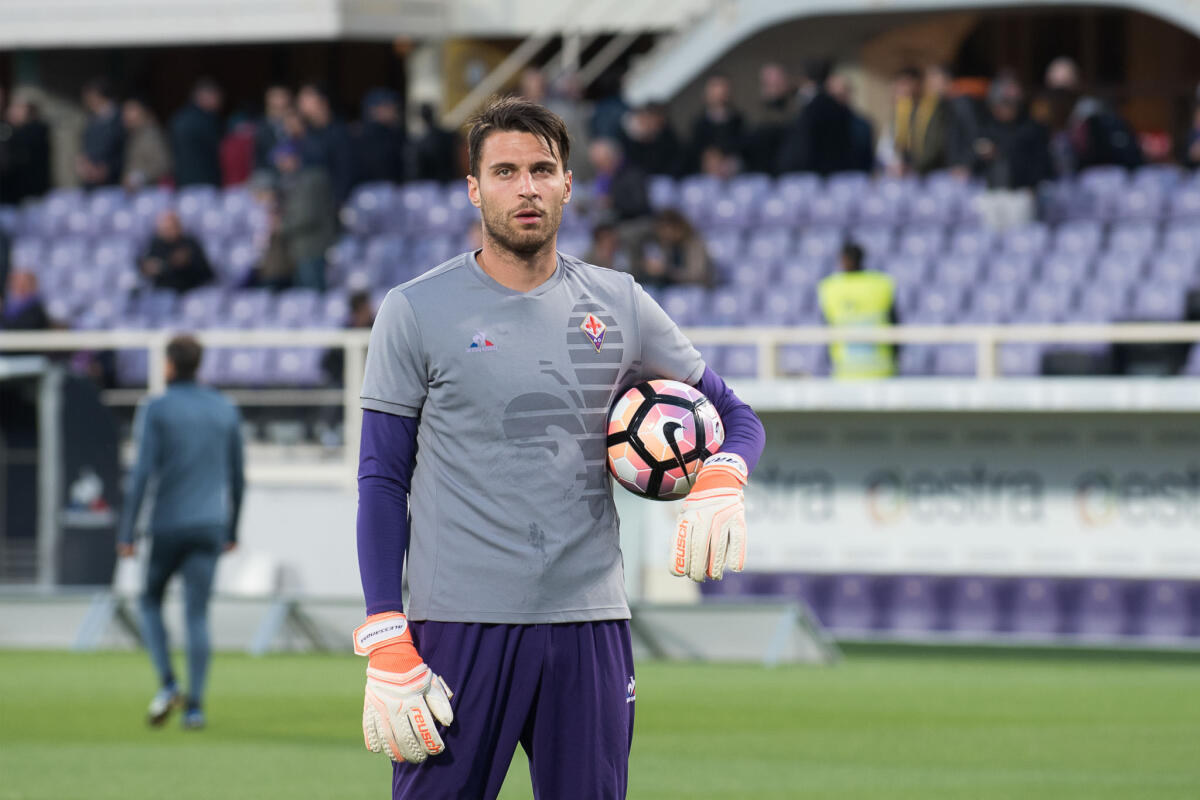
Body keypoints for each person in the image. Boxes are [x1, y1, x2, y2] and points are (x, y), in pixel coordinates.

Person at [353, 97, 765, 799]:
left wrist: (725, 474)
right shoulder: (415, 310)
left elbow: (735, 414)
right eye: (505, 171)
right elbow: (381, 480)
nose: (526, 188)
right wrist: (384, 631)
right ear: (474, 189)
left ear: (568, 183)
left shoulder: (621, 301)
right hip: (456, 628)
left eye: (542, 169)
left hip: (588, 624)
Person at [116, 334, 244, 730]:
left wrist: (127, 531)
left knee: (150, 600)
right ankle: (195, 707)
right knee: (197, 614)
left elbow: (141, 474)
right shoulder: (224, 409)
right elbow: (238, 478)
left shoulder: (157, 408)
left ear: (169, 365)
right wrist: (232, 528)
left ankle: (169, 683)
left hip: (168, 523)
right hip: (210, 524)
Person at [818, 242, 899, 379]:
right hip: (880, 370)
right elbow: (895, 322)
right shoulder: (881, 283)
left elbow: (827, 326)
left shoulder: (830, 287)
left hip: (847, 371)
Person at [274, 142, 336, 291]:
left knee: (314, 294)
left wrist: (280, 225)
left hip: (311, 247)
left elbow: (307, 215)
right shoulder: (294, 181)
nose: (280, 166)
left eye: (283, 160)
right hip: (302, 248)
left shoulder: (308, 181)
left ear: (294, 158)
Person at [296, 83, 355, 205]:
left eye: (306, 98)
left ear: (323, 101)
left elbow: (345, 171)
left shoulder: (339, 133)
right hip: (310, 201)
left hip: (332, 204)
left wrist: (339, 202)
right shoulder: (307, 133)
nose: (300, 103)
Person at [634, 208, 717, 288]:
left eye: (667, 230)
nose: (664, 235)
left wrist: (666, 270)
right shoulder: (662, 244)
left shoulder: (695, 244)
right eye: (661, 230)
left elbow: (695, 275)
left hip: (695, 290)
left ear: (678, 228)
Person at [138, 210, 215, 293]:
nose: (167, 232)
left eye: (170, 228)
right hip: (162, 292)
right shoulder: (156, 244)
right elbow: (146, 265)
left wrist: (187, 263)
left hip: (188, 291)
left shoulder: (189, 244)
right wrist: (147, 268)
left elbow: (206, 273)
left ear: (178, 227)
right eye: (164, 229)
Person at [169, 78, 224, 187]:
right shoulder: (206, 120)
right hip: (205, 180)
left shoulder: (178, 118)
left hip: (183, 181)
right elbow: (216, 150)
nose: (219, 102)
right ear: (204, 96)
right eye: (216, 97)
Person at [687, 73, 744, 173]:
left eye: (722, 87)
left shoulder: (737, 120)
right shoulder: (699, 123)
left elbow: (742, 147)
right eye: (715, 87)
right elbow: (694, 151)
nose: (719, 92)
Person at [0, 95, 51, 203]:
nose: (11, 111)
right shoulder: (11, 130)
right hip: (13, 194)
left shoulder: (35, 131)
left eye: (17, 108)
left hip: (30, 195)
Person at [78, 77, 125, 188]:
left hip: (114, 183)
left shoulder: (121, 119)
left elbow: (127, 151)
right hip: (92, 182)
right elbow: (87, 147)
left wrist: (107, 169)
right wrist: (84, 164)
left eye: (89, 97)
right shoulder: (91, 120)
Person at [355, 88, 407, 185]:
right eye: (389, 107)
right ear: (375, 110)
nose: (395, 112)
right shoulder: (366, 137)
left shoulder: (396, 134)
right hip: (373, 192)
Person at [122, 97, 172, 191]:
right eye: (125, 110)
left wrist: (139, 177)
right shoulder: (132, 135)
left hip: (153, 192)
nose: (126, 115)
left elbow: (163, 164)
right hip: (137, 193)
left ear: (143, 112)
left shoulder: (151, 135)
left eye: (131, 110)